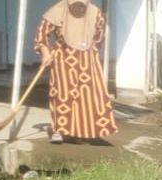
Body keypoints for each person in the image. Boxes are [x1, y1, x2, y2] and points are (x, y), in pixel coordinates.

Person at [34, 0, 117, 144]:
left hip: (87, 59)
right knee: (63, 94)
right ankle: (59, 130)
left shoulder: (95, 12)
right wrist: (45, 52)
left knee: (88, 96)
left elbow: (100, 34)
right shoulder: (58, 9)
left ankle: (83, 131)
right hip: (63, 57)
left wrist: (93, 50)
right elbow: (42, 32)